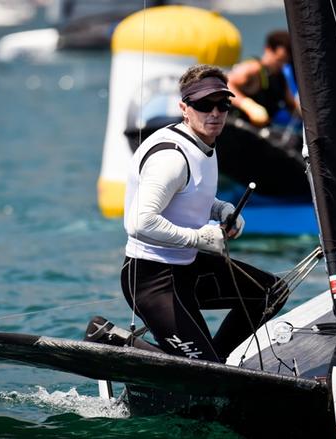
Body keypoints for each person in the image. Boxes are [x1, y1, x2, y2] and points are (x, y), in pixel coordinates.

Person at [117, 64, 288, 363]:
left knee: (271, 292)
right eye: (204, 105)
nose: (215, 113)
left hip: (190, 268)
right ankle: (111, 339)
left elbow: (189, 193)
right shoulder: (171, 158)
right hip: (152, 279)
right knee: (207, 368)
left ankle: (215, 367)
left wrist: (221, 208)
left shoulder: (205, 141)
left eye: (223, 104)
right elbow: (138, 222)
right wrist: (198, 237)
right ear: (184, 108)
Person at [227, 30, 299, 128]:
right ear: (268, 49)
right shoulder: (252, 68)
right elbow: (226, 84)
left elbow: (292, 104)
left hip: (260, 132)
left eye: (285, 62)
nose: (281, 65)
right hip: (237, 128)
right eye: (279, 60)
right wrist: (247, 105)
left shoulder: (280, 77)